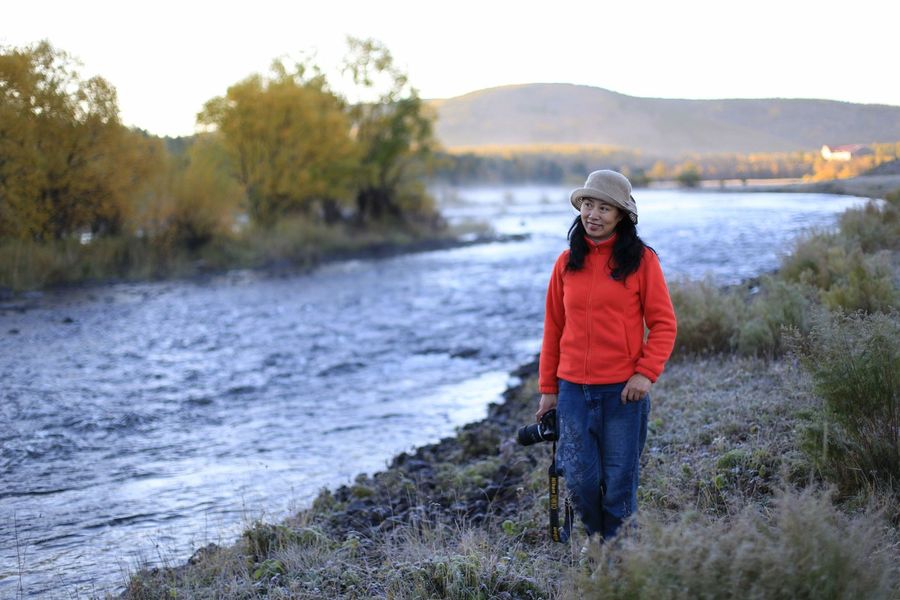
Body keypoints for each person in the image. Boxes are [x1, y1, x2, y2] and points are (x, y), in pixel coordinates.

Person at [534, 169, 677, 543]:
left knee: (619, 485)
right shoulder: (566, 264)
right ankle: (601, 546)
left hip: (622, 395)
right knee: (580, 482)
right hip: (572, 393)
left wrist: (645, 373)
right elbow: (554, 329)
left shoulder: (642, 261)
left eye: (604, 208)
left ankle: (617, 564)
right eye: (588, 205)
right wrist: (548, 389)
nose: (593, 214)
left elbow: (664, 324)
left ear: (621, 216)